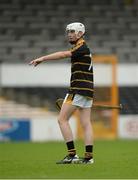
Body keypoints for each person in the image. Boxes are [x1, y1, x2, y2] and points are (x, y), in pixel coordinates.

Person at [29, 22, 94, 164]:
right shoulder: (81, 47)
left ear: (80, 33)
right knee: (86, 123)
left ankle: (72, 155)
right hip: (87, 90)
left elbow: (64, 54)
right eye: (68, 32)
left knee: (62, 120)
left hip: (77, 89)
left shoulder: (82, 47)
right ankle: (89, 158)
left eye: (72, 31)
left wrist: (43, 58)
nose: (69, 34)